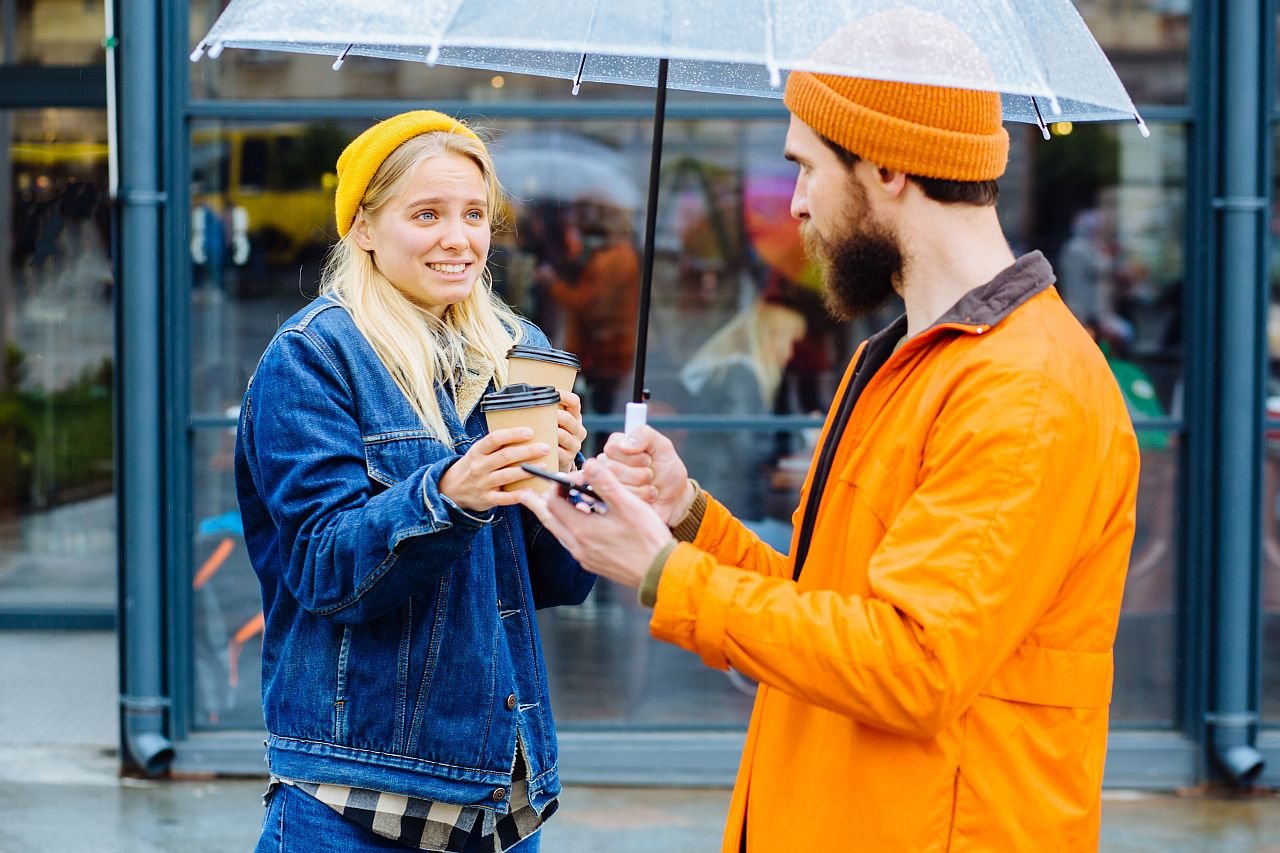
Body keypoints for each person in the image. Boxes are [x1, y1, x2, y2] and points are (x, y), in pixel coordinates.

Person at [519, 64, 1142, 851]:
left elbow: (915, 664)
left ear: (887, 165)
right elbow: (827, 606)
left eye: (806, 167)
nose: (796, 203)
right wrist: (687, 518)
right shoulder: (897, 358)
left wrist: (663, 575)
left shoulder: (1026, 391)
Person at [233, 110, 595, 852]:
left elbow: (557, 581)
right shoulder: (315, 356)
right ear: (364, 228)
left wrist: (566, 482)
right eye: (426, 214)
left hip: (499, 796)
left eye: (473, 214)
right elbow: (325, 568)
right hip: (352, 794)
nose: (458, 238)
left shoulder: (518, 351)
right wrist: (449, 494)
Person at [677, 298, 806, 525]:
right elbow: (749, 449)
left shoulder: (734, 372)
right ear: (771, 339)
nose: (791, 354)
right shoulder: (740, 376)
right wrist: (801, 438)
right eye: (789, 343)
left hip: (722, 499)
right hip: (727, 504)